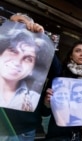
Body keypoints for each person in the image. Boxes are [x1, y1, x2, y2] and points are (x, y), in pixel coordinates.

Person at [0, 13, 56, 141]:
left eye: (21, 23)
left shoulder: (32, 96)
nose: (17, 62)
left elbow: (55, 71)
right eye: (13, 51)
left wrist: (43, 38)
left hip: (24, 130)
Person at [44, 41, 82, 141]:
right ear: (71, 55)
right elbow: (45, 111)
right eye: (78, 51)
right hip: (61, 134)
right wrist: (47, 101)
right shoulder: (60, 75)